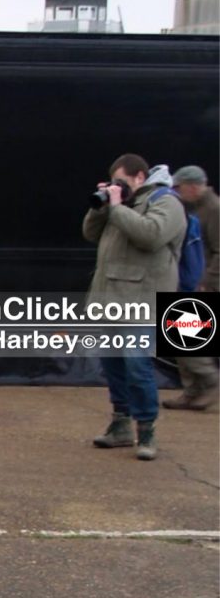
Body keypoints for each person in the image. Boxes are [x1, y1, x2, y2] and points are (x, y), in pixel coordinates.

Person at [83, 152, 186, 461]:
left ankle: (146, 430)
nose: (117, 187)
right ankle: (120, 425)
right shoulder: (122, 205)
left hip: (141, 301)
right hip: (111, 299)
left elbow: (150, 235)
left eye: (122, 182)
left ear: (140, 177)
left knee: (138, 366)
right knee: (113, 365)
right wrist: (102, 207)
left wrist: (116, 206)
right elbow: (90, 233)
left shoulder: (166, 202)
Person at [162, 164, 218, 413]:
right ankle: (193, 391)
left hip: (203, 282)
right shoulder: (194, 209)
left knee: (188, 337)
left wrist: (206, 282)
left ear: (193, 186)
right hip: (189, 279)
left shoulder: (214, 210)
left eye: (179, 187)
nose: (176, 191)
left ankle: (210, 381)